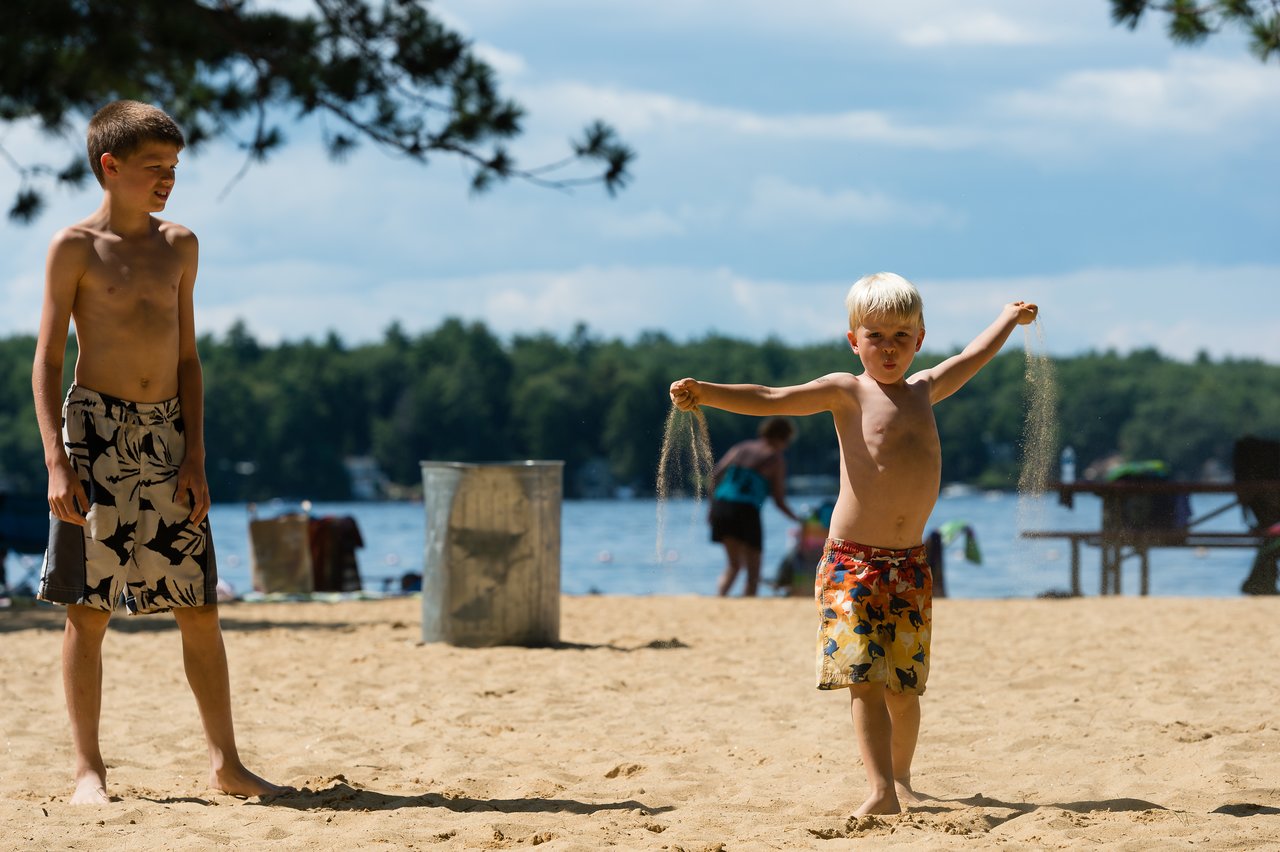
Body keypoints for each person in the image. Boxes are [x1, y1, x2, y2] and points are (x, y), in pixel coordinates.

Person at [670, 272, 1037, 816]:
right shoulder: (847, 391)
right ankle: (880, 789)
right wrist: (707, 395)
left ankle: (904, 777)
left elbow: (973, 357)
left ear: (919, 339)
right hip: (852, 565)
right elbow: (772, 397)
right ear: (853, 340)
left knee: (905, 689)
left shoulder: (926, 388)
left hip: (910, 565)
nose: (888, 349)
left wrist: (1007, 318)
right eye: (875, 337)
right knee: (864, 680)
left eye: (900, 337)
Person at [32, 100, 285, 804]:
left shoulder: (181, 246)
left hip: (168, 436)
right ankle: (89, 770)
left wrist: (195, 454)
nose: (167, 180)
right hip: (95, 437)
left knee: (199, 604)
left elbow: (189, 359)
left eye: (173, 168)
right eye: (154, 169)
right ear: (109, 167)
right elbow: (48, 360)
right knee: (89, 608)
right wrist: (56, 458)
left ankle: (226, 764)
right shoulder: (74, 247)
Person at [708, 417, 799, 596]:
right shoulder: (775, 459)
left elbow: (715, 474)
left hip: (721, 506)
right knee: (753, 572)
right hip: (746, 510)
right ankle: (747, 608)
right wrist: (798, 520)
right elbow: (779, 501)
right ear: (783, 438)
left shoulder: (741, 448)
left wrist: (711, 508)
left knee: (734, 565)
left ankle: (719, 599)